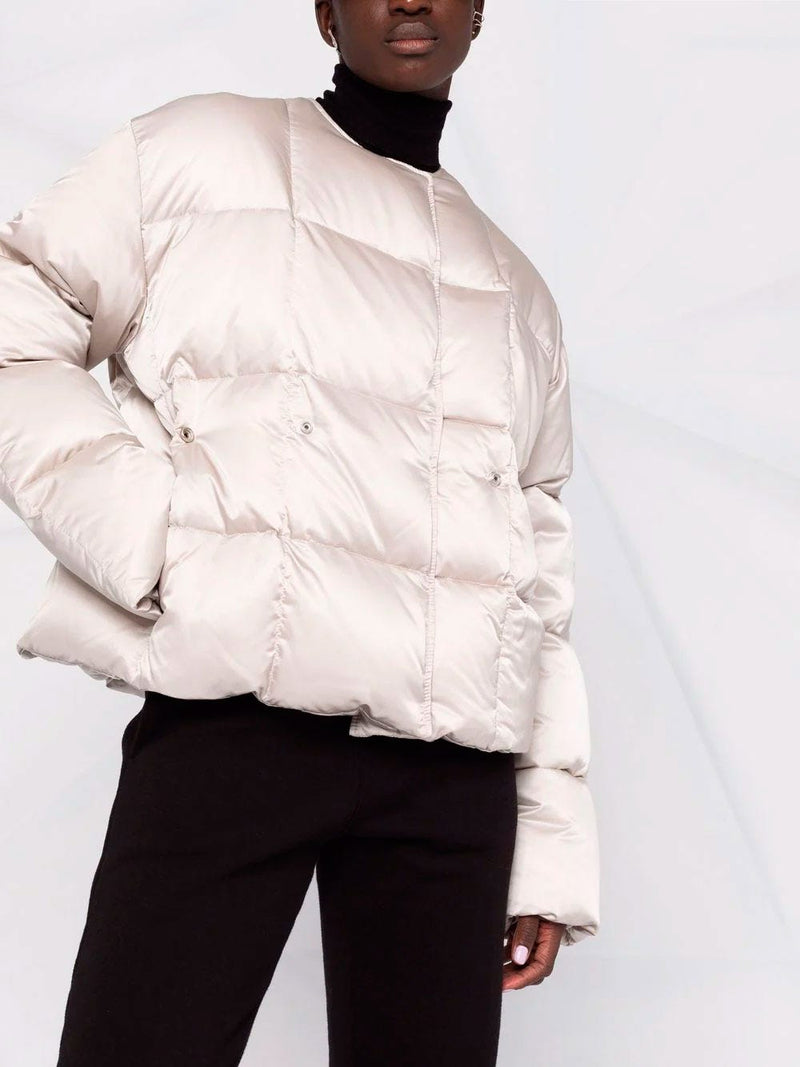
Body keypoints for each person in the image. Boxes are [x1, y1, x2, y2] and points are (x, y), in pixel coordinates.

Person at [0, 2, 599, 1064]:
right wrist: (154, 541)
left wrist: (545, 850)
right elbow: (17, 313)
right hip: (236, 725)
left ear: (478, 12)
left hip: (450, 778)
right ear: (325, 12)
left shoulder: (518, 294)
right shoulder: (197, 152)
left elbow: (536, 582)